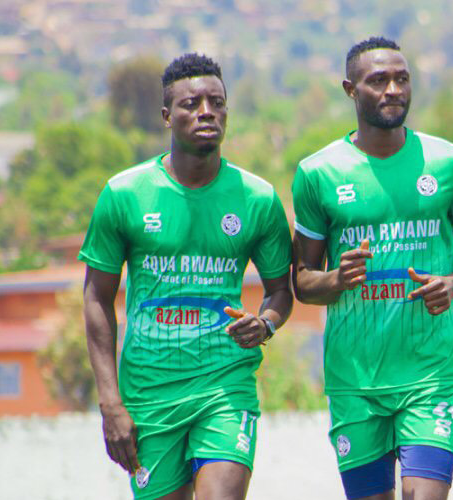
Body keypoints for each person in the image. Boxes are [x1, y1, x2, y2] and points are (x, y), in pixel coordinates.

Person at [291, 36, 453, 500]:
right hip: (354, 377)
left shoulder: (449, 162)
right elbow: (302, 282)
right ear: (350, 89)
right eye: (378, 80)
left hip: (430, 371)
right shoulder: (318, 172)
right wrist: (336, 279)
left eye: (401, 79)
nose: (392, 90)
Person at [80, 53, 293, 500]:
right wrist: (110, 402)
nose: (206, 112)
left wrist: (267, 323)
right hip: (149, 394)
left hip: (225, 387)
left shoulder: (257, 199)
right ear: (166, 116)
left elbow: (280, 291)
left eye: (217, 103)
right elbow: (97, 298)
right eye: (192, 103)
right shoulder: (125, 194)